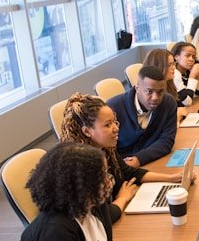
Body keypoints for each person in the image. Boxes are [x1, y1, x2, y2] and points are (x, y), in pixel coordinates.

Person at [0, 142, 163, 241]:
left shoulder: (93, 203)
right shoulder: (56, 233)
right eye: (102, 176)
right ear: (81, 186)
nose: (109, 181)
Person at [61, 93, 182, 223]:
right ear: (87, 131)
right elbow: (97, 219)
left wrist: (171, 178)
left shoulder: (106, 150)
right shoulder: (80, 166)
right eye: (107, 125)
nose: (116, 128)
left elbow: (129, 173)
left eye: (115, 122)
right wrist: (122, 199)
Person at [107, 65, 178, 167]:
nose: (155, 98)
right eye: (149, 91)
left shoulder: (168, 103)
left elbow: (166, 140)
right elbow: (106, 148)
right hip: (122, 166)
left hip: (151, 161)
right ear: (137, 88)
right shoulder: (113, 107)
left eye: (160, 92)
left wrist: (139, 159)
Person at [143, 48, 191, 124]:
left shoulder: (169, 84)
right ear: (158, 67)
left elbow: (181, 108)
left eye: (173, 63)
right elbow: (157, 125)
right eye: (169, 65)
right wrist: (176, 117)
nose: (174, 67)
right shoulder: (151, 95)